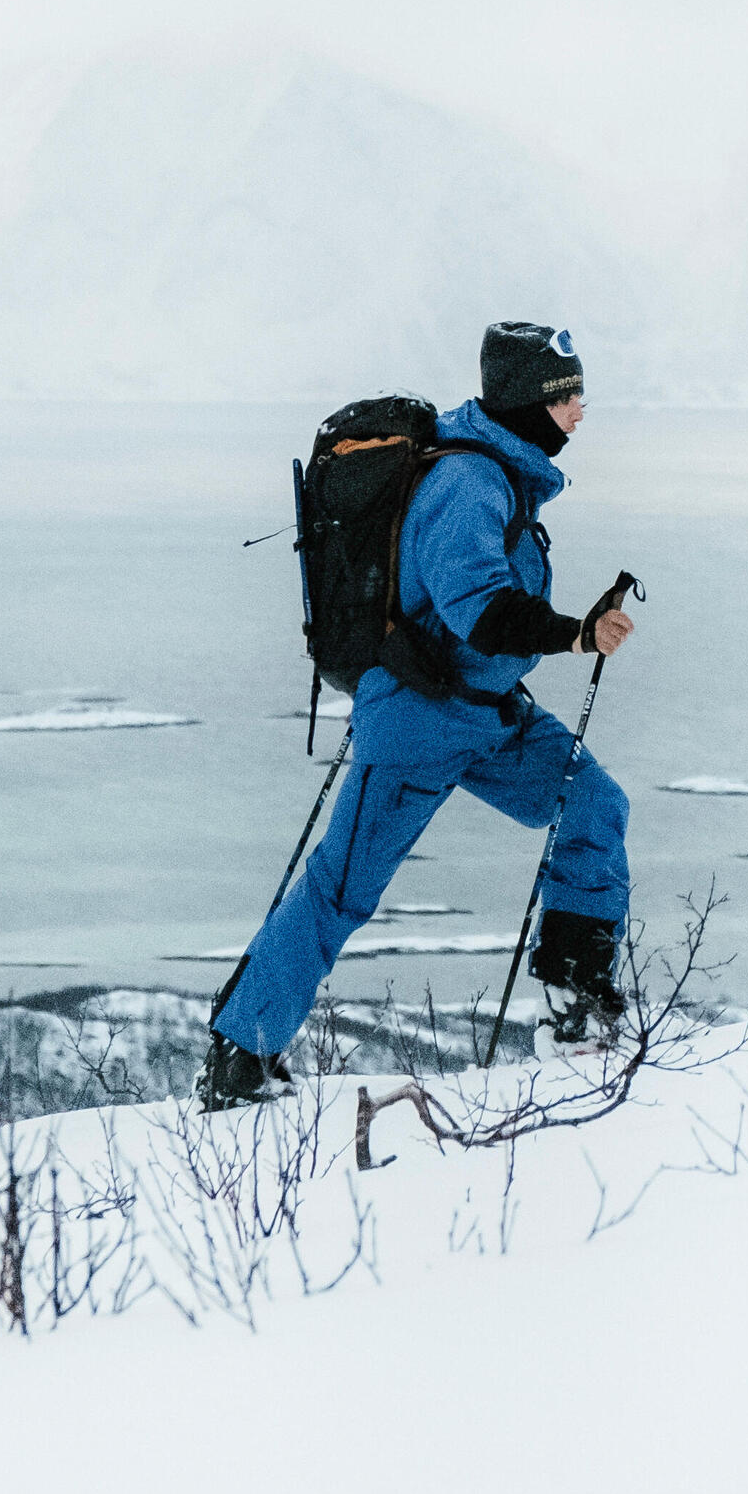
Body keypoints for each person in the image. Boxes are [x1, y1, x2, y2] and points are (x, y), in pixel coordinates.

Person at [200, 320, 642, 1103]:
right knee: (341, 890)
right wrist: (574, 634)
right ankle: (239, 1057)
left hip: (488, 714)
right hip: (418, 722)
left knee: (594, 804)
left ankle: (578, 1004)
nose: (581, 409)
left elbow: (487, 622)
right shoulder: (467, 484)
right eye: (568, 394)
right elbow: (479, 609)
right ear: (530, 403)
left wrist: (565, 634)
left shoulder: (501, 474)